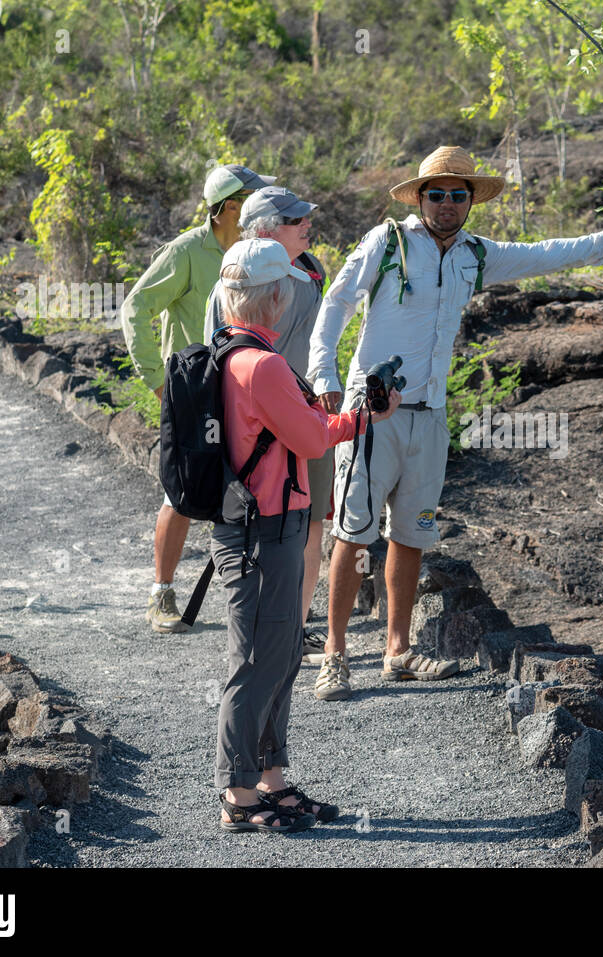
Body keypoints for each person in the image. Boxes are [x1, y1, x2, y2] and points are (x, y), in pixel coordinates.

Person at [306, 145, 603, 701]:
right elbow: (337, 302)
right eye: (437, 194)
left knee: (411, 532)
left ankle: (397, 653)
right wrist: (323, 373)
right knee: (353, 532)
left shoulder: (476, 253)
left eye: (458, 194)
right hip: (372, 410)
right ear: (420, 197)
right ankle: (335, 655)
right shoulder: (389, 242)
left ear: (471, 200)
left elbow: (545, 253)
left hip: (430, 414)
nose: (447, 203)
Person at [210, 237, 400, 831]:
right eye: (287, 290)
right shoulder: (262, 364)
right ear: (275, 297)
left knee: (280, 653)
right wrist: (366, 416)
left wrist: (342, 416)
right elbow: (314, 440)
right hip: (265, 531)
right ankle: (239, 794)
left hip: (254, 526)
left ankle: (271, 778)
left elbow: (300, 426)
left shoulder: (228, 353)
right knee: (261, 661)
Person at [118, 164, 275, 634]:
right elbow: (135, 308)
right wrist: (158, 380)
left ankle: (255, 596)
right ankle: (161, 594)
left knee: (253, 487)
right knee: (183, 492)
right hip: (194, 395)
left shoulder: (258, 253)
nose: (259, 208)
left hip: (246, 391)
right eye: (250, 200)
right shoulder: (187, 251)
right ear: (230, 207)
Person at [202, 186, 332, 662]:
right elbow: (215, 355)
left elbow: (323, 345)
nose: (306, 223)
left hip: (306, 413)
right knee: (259, 527)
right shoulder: (232, 284)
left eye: (304, 217)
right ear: (264, 230)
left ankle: (292, 630)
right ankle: (261, 634)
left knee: (312, 522)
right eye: (294, 219)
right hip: (257, 421)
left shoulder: (314, 270)